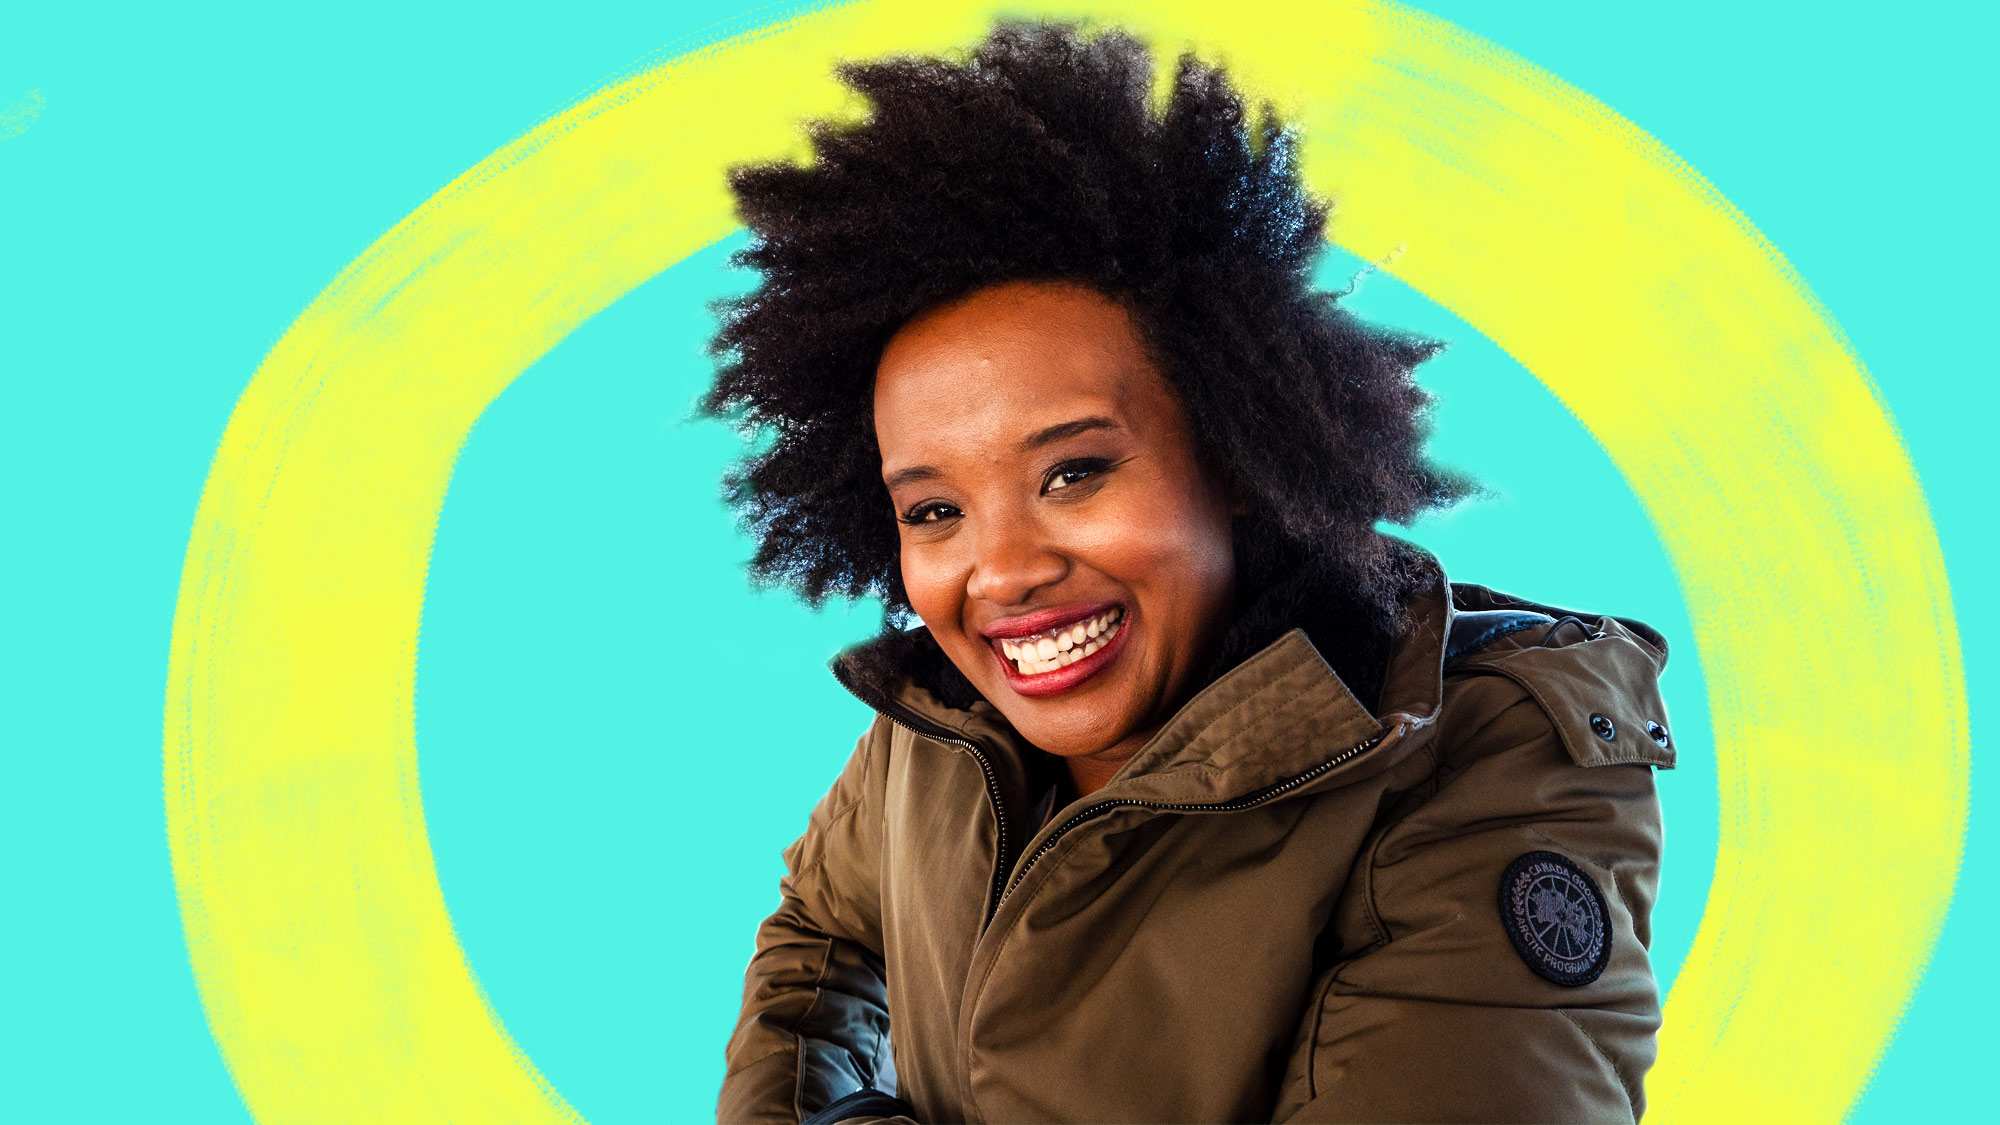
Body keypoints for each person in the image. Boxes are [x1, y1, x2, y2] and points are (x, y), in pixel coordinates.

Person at [703, 19, 1676, 1124]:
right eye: (934, 511)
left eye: (1072, 473)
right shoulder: (938, 724)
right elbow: (819, 935)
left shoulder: (1477, 753)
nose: (1003, 572)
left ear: (1235, 454)